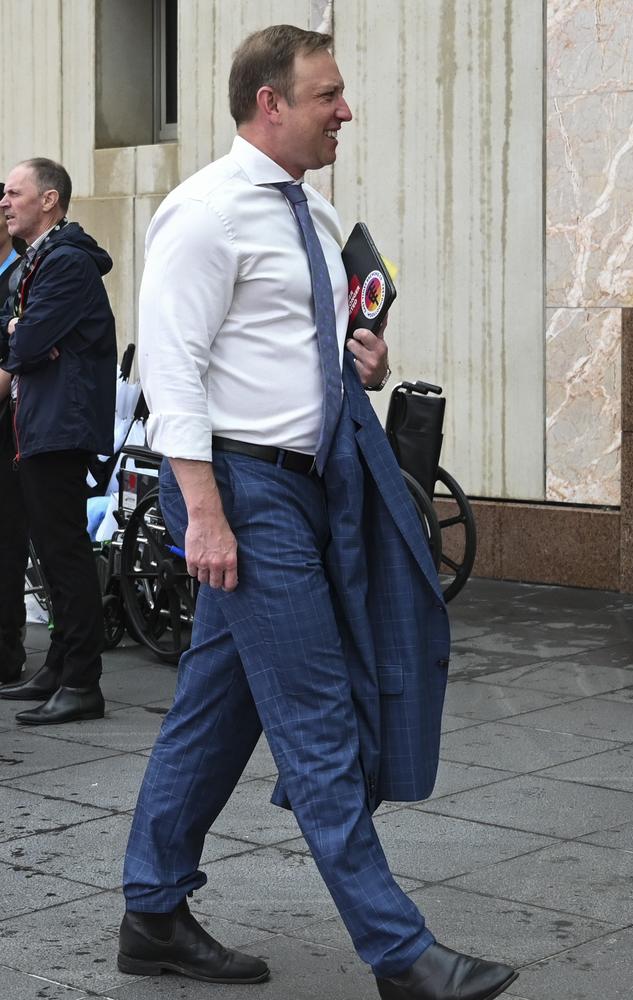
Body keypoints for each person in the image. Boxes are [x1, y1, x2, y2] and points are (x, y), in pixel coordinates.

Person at [118, 25, 518, 1000]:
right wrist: (202, 515)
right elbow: (169, 373)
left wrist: (357, 358)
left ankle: (150, 909)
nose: (344, 110)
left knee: (215, 709)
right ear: (270, 104)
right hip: (241, 490)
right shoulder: (203, 214)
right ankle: (399, 953)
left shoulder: (315, 213)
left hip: (311, 483)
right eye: (327, 94)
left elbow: (305, 344)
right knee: (315, 717)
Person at [0, 158, 117, 725]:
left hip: (59, 428)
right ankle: (59, 666)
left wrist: (25, 338)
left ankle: (81, 682)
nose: (5, 202)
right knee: (49, 551)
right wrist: (24, 337)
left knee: (64, 554)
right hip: (43, 424)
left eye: (15, 193)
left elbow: (22, 348)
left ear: (49, 200)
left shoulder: (65, 263)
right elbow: (22, 341)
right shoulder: (41, 260)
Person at [0, 186, 28, 684]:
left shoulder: (25, 271)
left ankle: (7, 650)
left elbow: (24, 346)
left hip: (14, 426)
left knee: (6, 540)